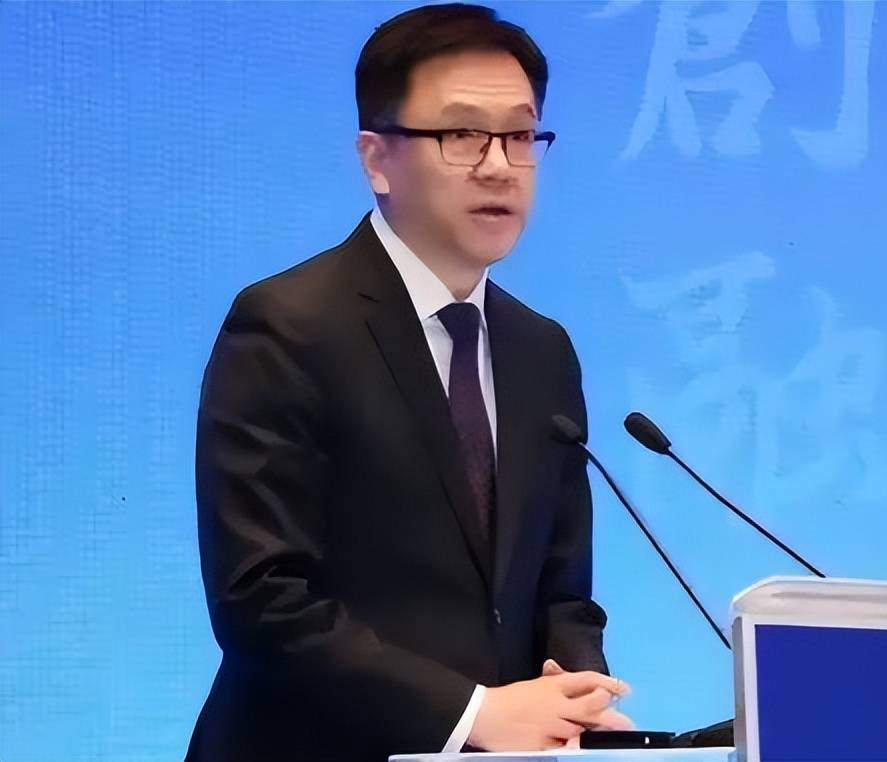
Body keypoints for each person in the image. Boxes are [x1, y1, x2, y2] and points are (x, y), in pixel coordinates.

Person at [186, 5, 632, 760]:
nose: (499, 165)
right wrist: (472, 716)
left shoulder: (541, 349)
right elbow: (262, 597)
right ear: (377, 159)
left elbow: (560, 590)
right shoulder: (288, 326)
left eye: (520, 136)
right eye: (462, 135)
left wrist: (573, 688)